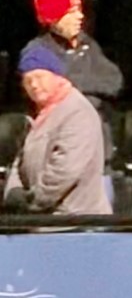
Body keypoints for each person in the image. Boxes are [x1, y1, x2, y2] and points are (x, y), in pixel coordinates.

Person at [24, 0, 123, 192]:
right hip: (57, 160)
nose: (80, 17)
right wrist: (85, 90)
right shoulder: (36, 52)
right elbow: (49, 94)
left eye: (80, 10)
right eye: (72, 11)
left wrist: (73, 84)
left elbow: (114, 81)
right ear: (53, 17)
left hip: (98, 162)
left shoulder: (88, 45)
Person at [3, 45, 111, 216]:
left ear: (57, 76)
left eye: (40, 77)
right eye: (28, 80)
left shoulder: (77, 112)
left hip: (75, 220)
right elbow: (20, 159)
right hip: (41, 219)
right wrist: (13, 191)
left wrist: (32, 201)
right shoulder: (36, 114)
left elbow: (65, 170)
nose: (34, 85)